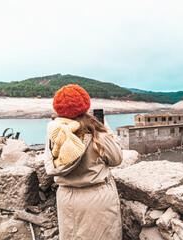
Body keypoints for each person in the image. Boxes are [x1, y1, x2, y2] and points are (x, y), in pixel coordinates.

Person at [44, 84, 123, 240]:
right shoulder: (96, 133)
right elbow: (116, 158)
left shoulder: (54, 135)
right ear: (85, 106)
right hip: (98, 199)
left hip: (67, 198)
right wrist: (105, 129)